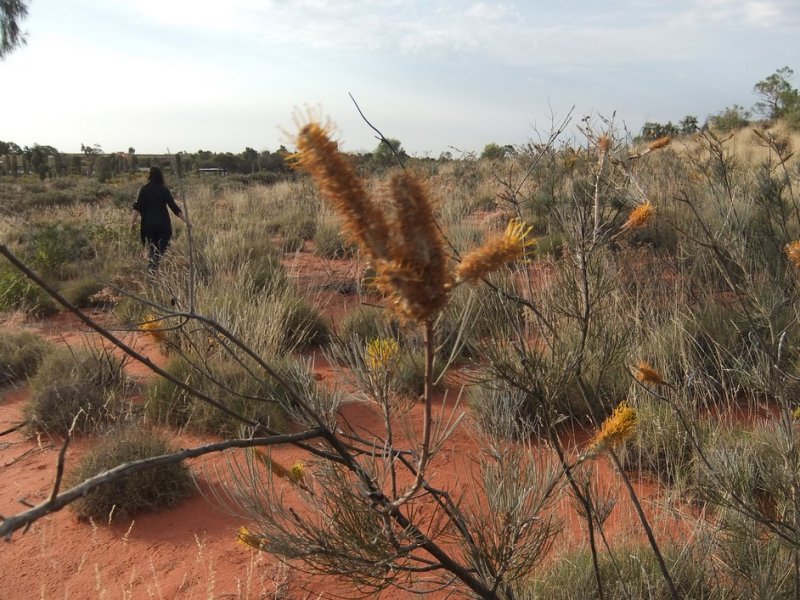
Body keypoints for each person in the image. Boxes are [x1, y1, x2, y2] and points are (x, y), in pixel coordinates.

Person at [130, 166, 189, 271]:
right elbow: (173, 207)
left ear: (150, 176)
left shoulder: (144, 189)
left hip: (148, 225)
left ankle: (152, 269)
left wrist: (132, 223)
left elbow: (137, 208)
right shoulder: (163, 189)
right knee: (161, 249)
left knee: (153, 249)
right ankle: (153, 269)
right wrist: (186, 221)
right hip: (163, 225)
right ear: (160, 176)